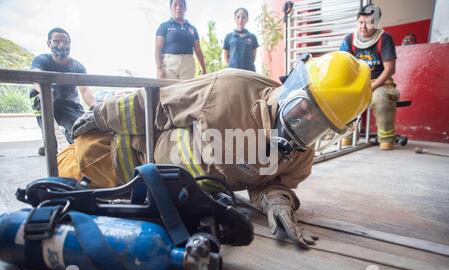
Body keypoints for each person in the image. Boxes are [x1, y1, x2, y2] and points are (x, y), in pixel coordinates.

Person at [58, 51, 372, 249]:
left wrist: (277, 203)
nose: (303, 128)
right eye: (304, 111)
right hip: (108, 155)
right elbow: (157, 104)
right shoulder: (229, 90)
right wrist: (100, 114)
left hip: (150, 197)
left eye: (319, 127)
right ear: (292, 87)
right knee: (62, 178)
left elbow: (271, 182)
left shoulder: (300, 155)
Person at [340, 4, 400, 150]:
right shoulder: (349, 39)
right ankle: (347, 135)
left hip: (382, 81)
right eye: (361, 22)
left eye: (368, 23)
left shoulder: (384, 38)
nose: (363, 27)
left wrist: (372, 86)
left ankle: (386, 138)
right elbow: (343, 65)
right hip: (358, 82)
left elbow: (390, 69)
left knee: (381, 99)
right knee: (344, 99)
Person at [31, 27, 96, 156]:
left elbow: (85, 90)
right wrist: (45, 92)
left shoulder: (78, 67)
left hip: (69, 104)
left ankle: (69, 134)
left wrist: (95, 107)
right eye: (57, 41)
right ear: (49, 44)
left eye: (65, 42)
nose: (61, 45)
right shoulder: (41, 60)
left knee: (82, 132)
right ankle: (49, 143)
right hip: (46, 100)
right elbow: (35, 77)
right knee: (51, 142)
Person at [155, 0, 207, 80]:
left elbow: (198, 50)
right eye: (175, 5)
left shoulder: (192, 28)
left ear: (185, 8)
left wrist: (204, 69)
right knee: (169, 90)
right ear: (171, 8)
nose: (178, 8)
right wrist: (159, 69)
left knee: (187, 91)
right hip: (169, 65)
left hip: (187, 65)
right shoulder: (164, 26)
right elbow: (158, 48)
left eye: (181, 5)